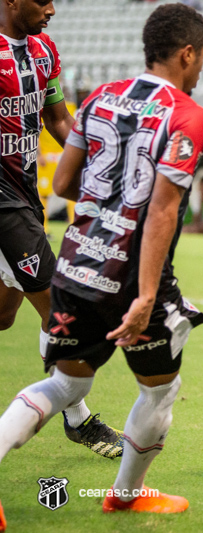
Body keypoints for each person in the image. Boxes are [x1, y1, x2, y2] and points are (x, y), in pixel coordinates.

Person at [0, 3, 203, 523]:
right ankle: (125, 492)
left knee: (67, 384)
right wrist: (145, 295)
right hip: (135, 274)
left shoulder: (100, 98)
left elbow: (65, 184)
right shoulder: (188, 115)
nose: (202, 66)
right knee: (161, 388)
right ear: (186, 54)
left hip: (77, 264)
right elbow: (162, 207)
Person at [0, 0, 123, 458]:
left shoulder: (44, 50)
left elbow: (58, 120)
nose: (53, 9)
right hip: (2, 202)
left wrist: (98, 172)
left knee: (4, 316)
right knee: (61, 305)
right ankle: (78, 419)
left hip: (25, 194)